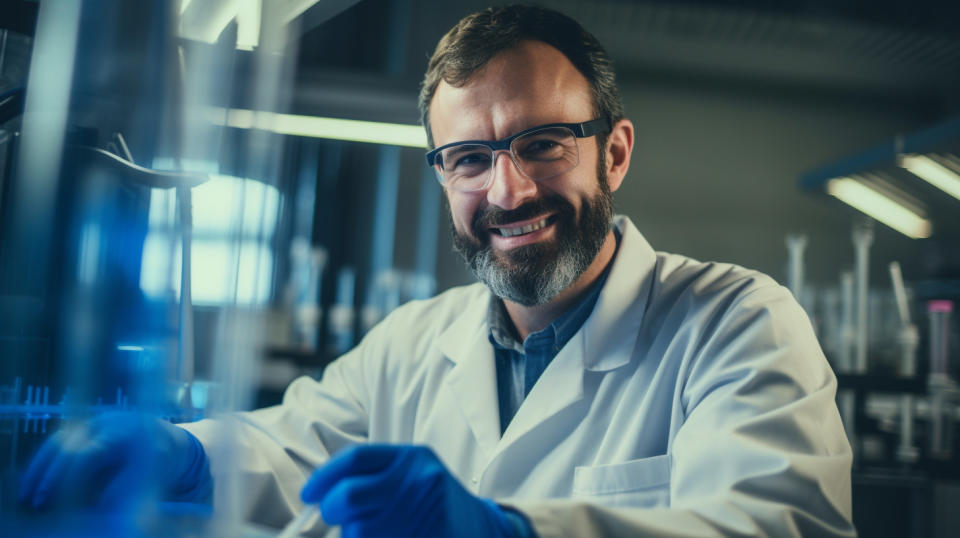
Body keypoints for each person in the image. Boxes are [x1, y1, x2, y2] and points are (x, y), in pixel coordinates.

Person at [20, 5, 855, 537]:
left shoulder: (738, 321)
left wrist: (510, 531)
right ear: (442, 174)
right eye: (469, 158)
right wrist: (183, 453)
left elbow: (772, 524)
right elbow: (299, 446)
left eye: (541, 144)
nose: (509, 189)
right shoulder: (417, 341)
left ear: (616, 151)